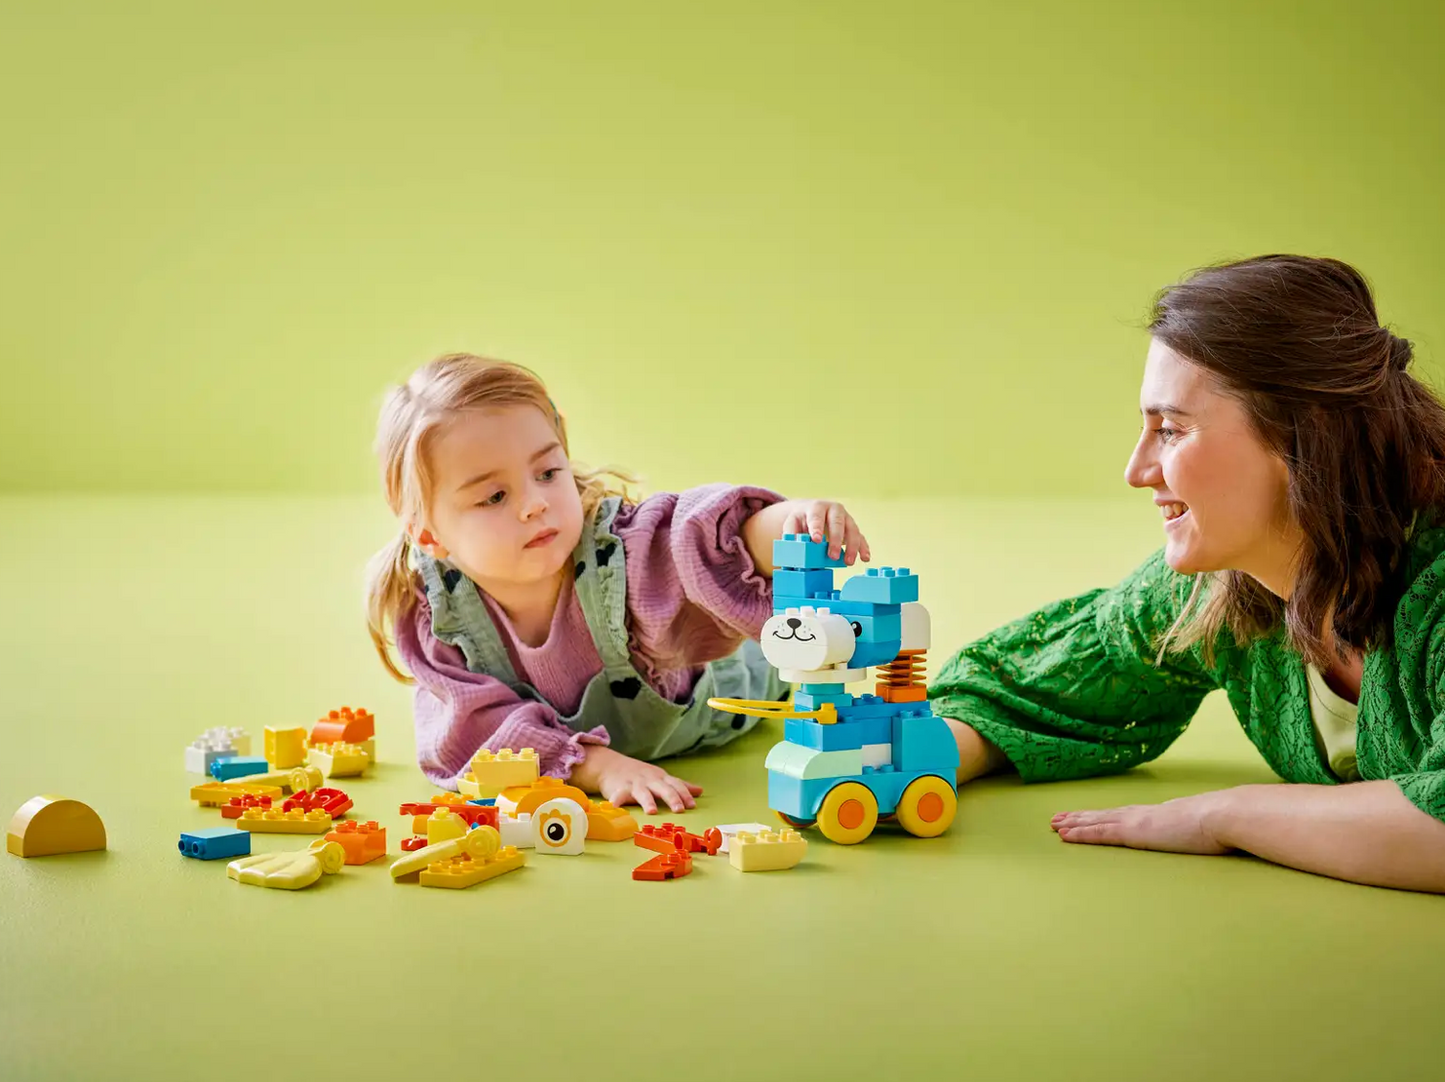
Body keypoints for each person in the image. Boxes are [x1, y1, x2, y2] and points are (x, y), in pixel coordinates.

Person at [931, 255, 1445, 893]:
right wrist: (922, 761)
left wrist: (1222, 816)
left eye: (1171, 430)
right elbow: (1030, 692)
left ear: (1300, 437)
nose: (1137, 470)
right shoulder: (1219, 587)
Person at [366, 353, 870, 813]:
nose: (534, 503)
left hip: (726, 692)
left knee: (785, 650)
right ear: (428, 533)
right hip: (593, 751)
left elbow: (694, 541)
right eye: (494, 497)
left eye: (546, 471)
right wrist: (597, 767)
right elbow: (475, 733)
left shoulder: (620, 557)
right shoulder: (441, 619)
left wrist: (790, 524)